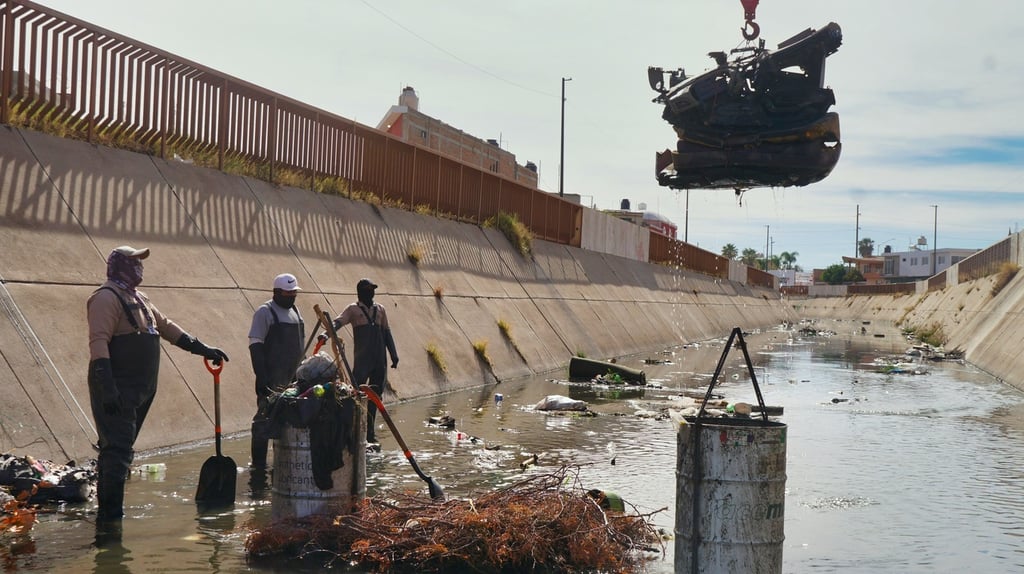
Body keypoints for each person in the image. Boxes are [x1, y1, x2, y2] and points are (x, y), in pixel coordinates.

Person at [87, 246, 229, 523]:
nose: (140, 267)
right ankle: (110, 522)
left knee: (120, 451)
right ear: (121, 265)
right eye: (135, 262)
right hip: (116, 388)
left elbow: (167, 327)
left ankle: (111, 514)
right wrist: (107, 387)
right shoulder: (105, 298)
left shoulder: (139, 298)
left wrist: (203, 349)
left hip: (140, 390)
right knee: (116, 452)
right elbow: (99, 342)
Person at [321, 278, 398, 444]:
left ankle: (370, 433)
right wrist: (326, 334)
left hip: (379, 361)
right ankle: (355, 431)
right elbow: (338, 322)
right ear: (361, 292)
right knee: (356, 396)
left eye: (373, 289)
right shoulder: (353, 310)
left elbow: (387, 333)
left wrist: (394, 354)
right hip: (362, 361)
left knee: (375, 397)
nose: (372, 293)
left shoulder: (380, 310)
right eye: (369, 289)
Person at [247, 273, 305, 469]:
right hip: (271, 379)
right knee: (263, 421)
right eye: (288, 294)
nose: (291, 297)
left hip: (293, 379)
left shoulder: (296, 312)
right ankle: (259, 466)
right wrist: (261, 377)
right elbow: (255, 345)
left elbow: (300, 347)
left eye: (294, 294)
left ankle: (285, 463)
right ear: (276, 292)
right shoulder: (264, 313)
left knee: (289, 422)